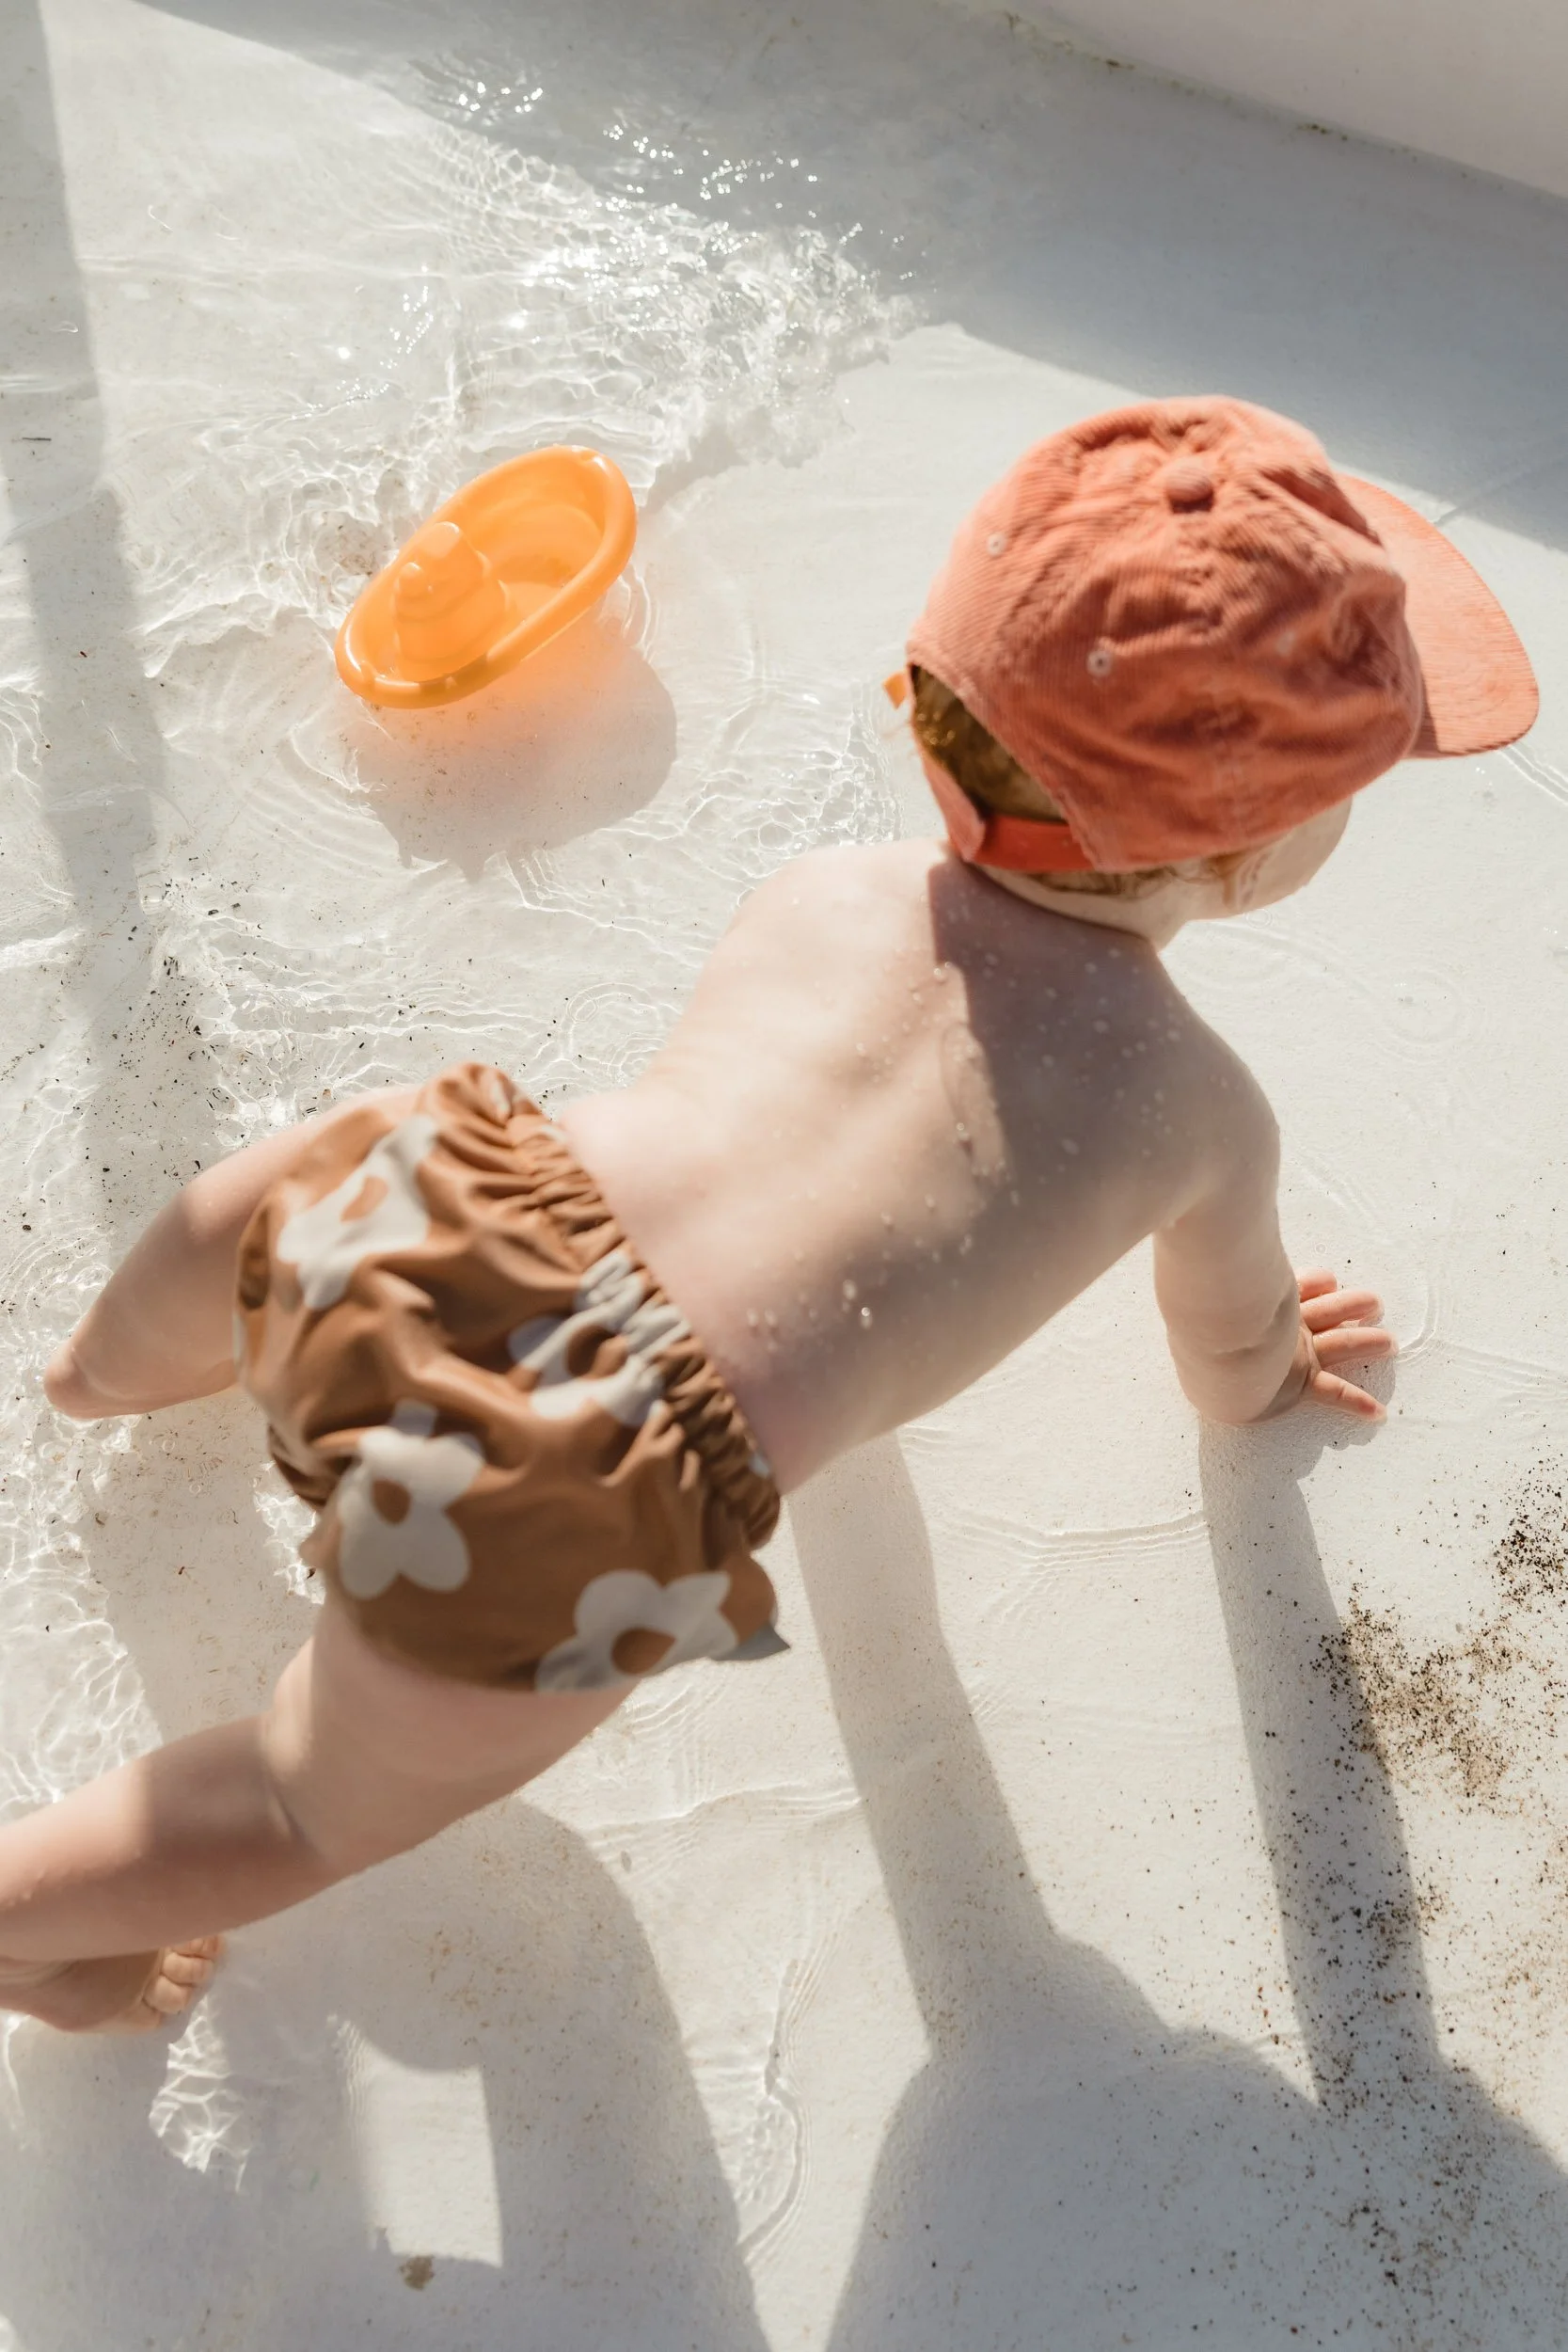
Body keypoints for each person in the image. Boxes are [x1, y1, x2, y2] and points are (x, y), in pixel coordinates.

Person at [1, 395, 1537, 2034]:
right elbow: (1229, 1360)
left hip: (436, 1199)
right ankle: (29, 1926)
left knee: (260, 1215)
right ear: (1250, 858)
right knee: (307, 1797)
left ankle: (114, 1367)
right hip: (580, 1494)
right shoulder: (1194, 1112)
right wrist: (1277, 1371)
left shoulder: (829, 891)